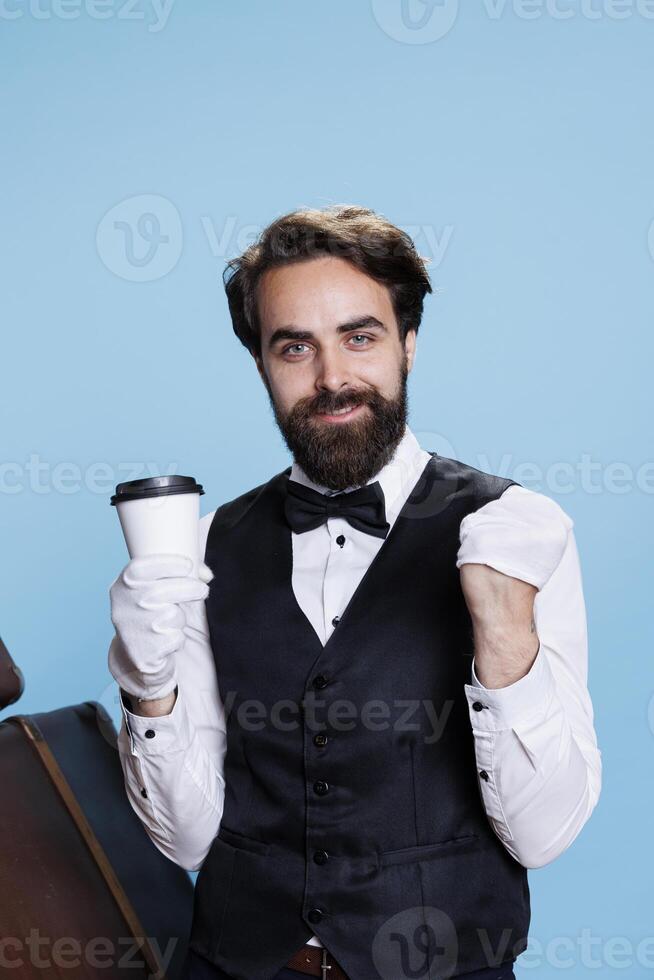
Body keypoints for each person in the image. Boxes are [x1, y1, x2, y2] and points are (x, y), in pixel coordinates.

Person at [107, 205, 602, 980]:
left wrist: (506, 637)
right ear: (261, 364)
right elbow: (187, 844)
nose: (332, 377)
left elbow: (542, 836)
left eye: (360, 337)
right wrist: (147, 688)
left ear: (408, 344)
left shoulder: (519, 531)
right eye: (294, 347)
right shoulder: (201, 548)